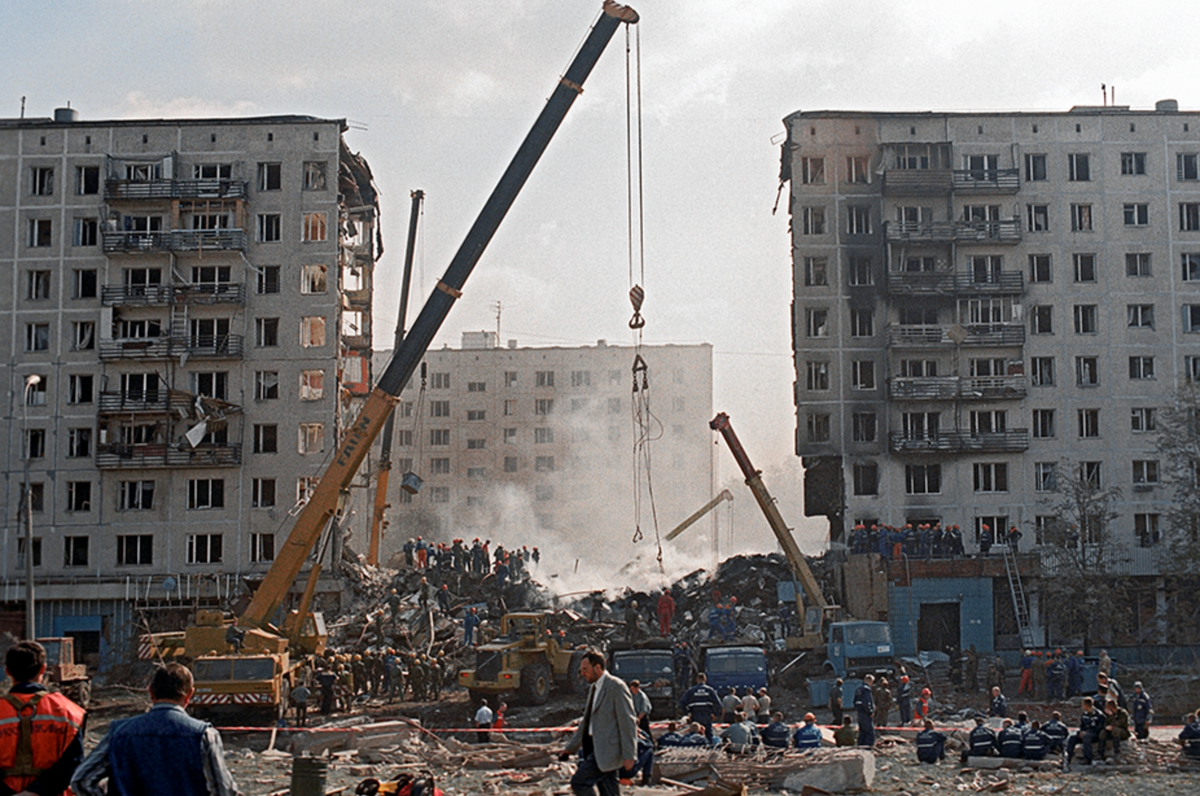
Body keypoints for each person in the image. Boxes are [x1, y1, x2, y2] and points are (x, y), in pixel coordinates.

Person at [72, 663, 239, 796]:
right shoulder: (204, 735)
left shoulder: (119, 733)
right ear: (189, 695)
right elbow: (223, 790)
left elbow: (81, 781)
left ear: (151, 692)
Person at [0, 640, 86, 796]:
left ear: (7, 671)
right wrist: (35, 792)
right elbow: (72, 765)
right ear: (43, 669)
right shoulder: (69, 712)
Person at [561, 649, 637, 796]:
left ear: (597, 668)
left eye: (585, 669)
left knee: (579, 782)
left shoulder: (616, 687)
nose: (582, 673)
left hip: (608, 751)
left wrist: (629, 754)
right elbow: (586, 721)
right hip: (595, 748)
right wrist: (570, 748)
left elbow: (627, 722)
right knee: (609, 792)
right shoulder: (594, 688)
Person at [679, 673, 722, 740]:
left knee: (695, 736)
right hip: (707, 716)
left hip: (695, 716)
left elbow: (682, 702)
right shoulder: (710, 690)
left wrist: (688, 713)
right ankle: (709, 748)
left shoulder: (691, 690)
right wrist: (715, 714)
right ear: (705, 679)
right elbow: (718, 704)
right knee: (708, 736)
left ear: (697, 680)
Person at [1065, 697, 1104, 766]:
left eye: (1083, 704)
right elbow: (1082, 725)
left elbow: (1100, 728)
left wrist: (1088, 732)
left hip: (1095, 734)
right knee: (1072, 737)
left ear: (1086, 705)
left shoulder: (1099, 715)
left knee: (1086, 737)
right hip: (1085, 732)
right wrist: (1081, 732)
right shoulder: (1084, 715)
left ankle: (1088, 758)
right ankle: (1068, 757)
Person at [854, 674, 876, 747]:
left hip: (860, 714)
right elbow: (867, 703)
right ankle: (868, 747)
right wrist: (870, 712)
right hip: (866, 714)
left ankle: (861, 746)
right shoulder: (866, 690)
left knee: (862, 732)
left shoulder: (859, 689)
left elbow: (855, 701)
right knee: (869, 732)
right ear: (870, 681)